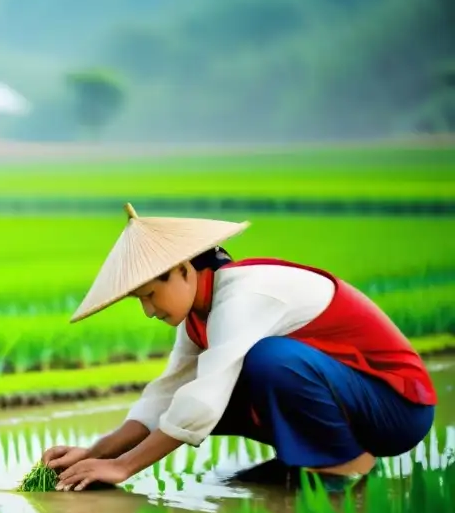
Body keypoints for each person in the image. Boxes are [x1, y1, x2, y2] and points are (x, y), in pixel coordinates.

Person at [43, 203, 436, 492]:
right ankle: (305, 460)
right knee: (194, 390)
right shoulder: (201, 314)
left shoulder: (245, 295)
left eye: (150, 295)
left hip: (397, 410)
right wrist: (96, 454)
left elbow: (202, 402)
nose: (149, 311)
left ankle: (337, 467)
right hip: (351, 401)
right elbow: (165, 395)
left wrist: (125, 467)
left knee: (265, 363)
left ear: (183, 270)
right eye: (140, 301)